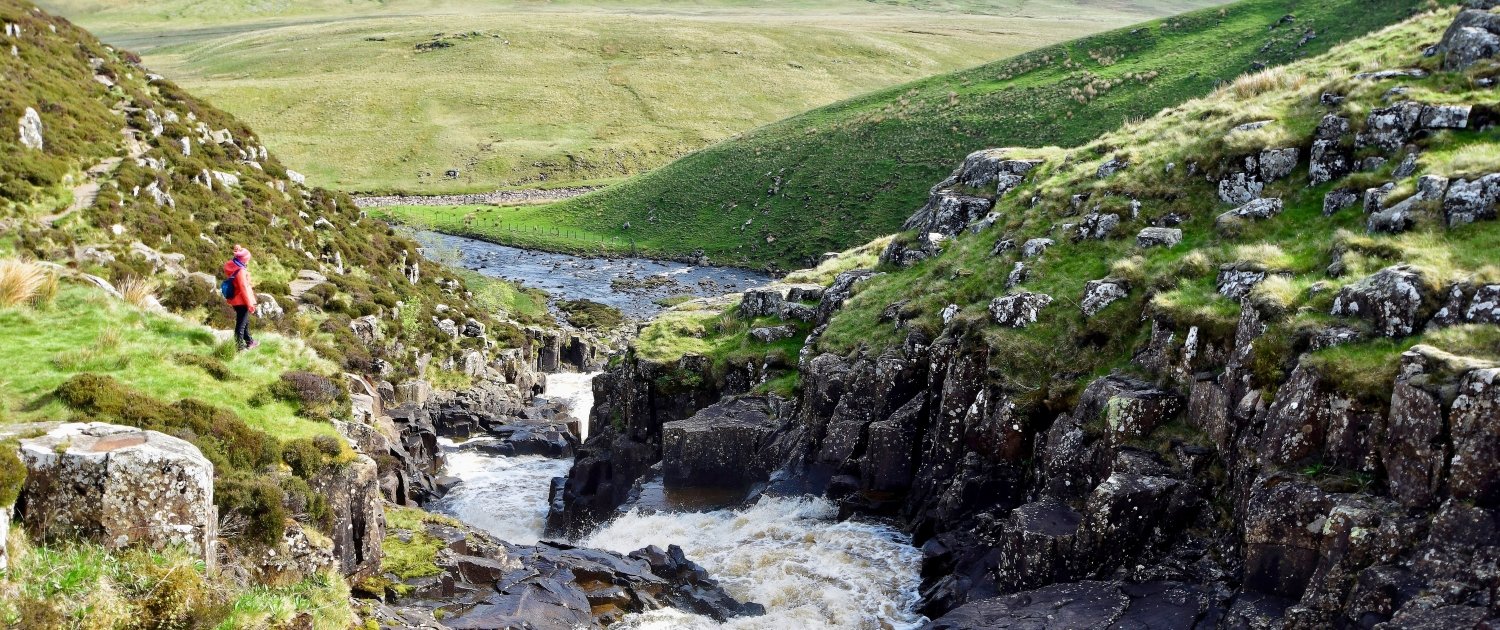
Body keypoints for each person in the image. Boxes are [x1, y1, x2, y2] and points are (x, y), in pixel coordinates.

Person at [223, 245, 259, 351]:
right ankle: (239, 347)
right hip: (242, 301)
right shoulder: (241, 271)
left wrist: (237, 249)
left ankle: (250, 341)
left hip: (235, 299)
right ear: (244, 260)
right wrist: (250, 304)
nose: (248, 261)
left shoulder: (234, 264)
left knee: (244, 321)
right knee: (241, 325)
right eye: (247, 260)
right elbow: (243, 288)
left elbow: (237, 254)